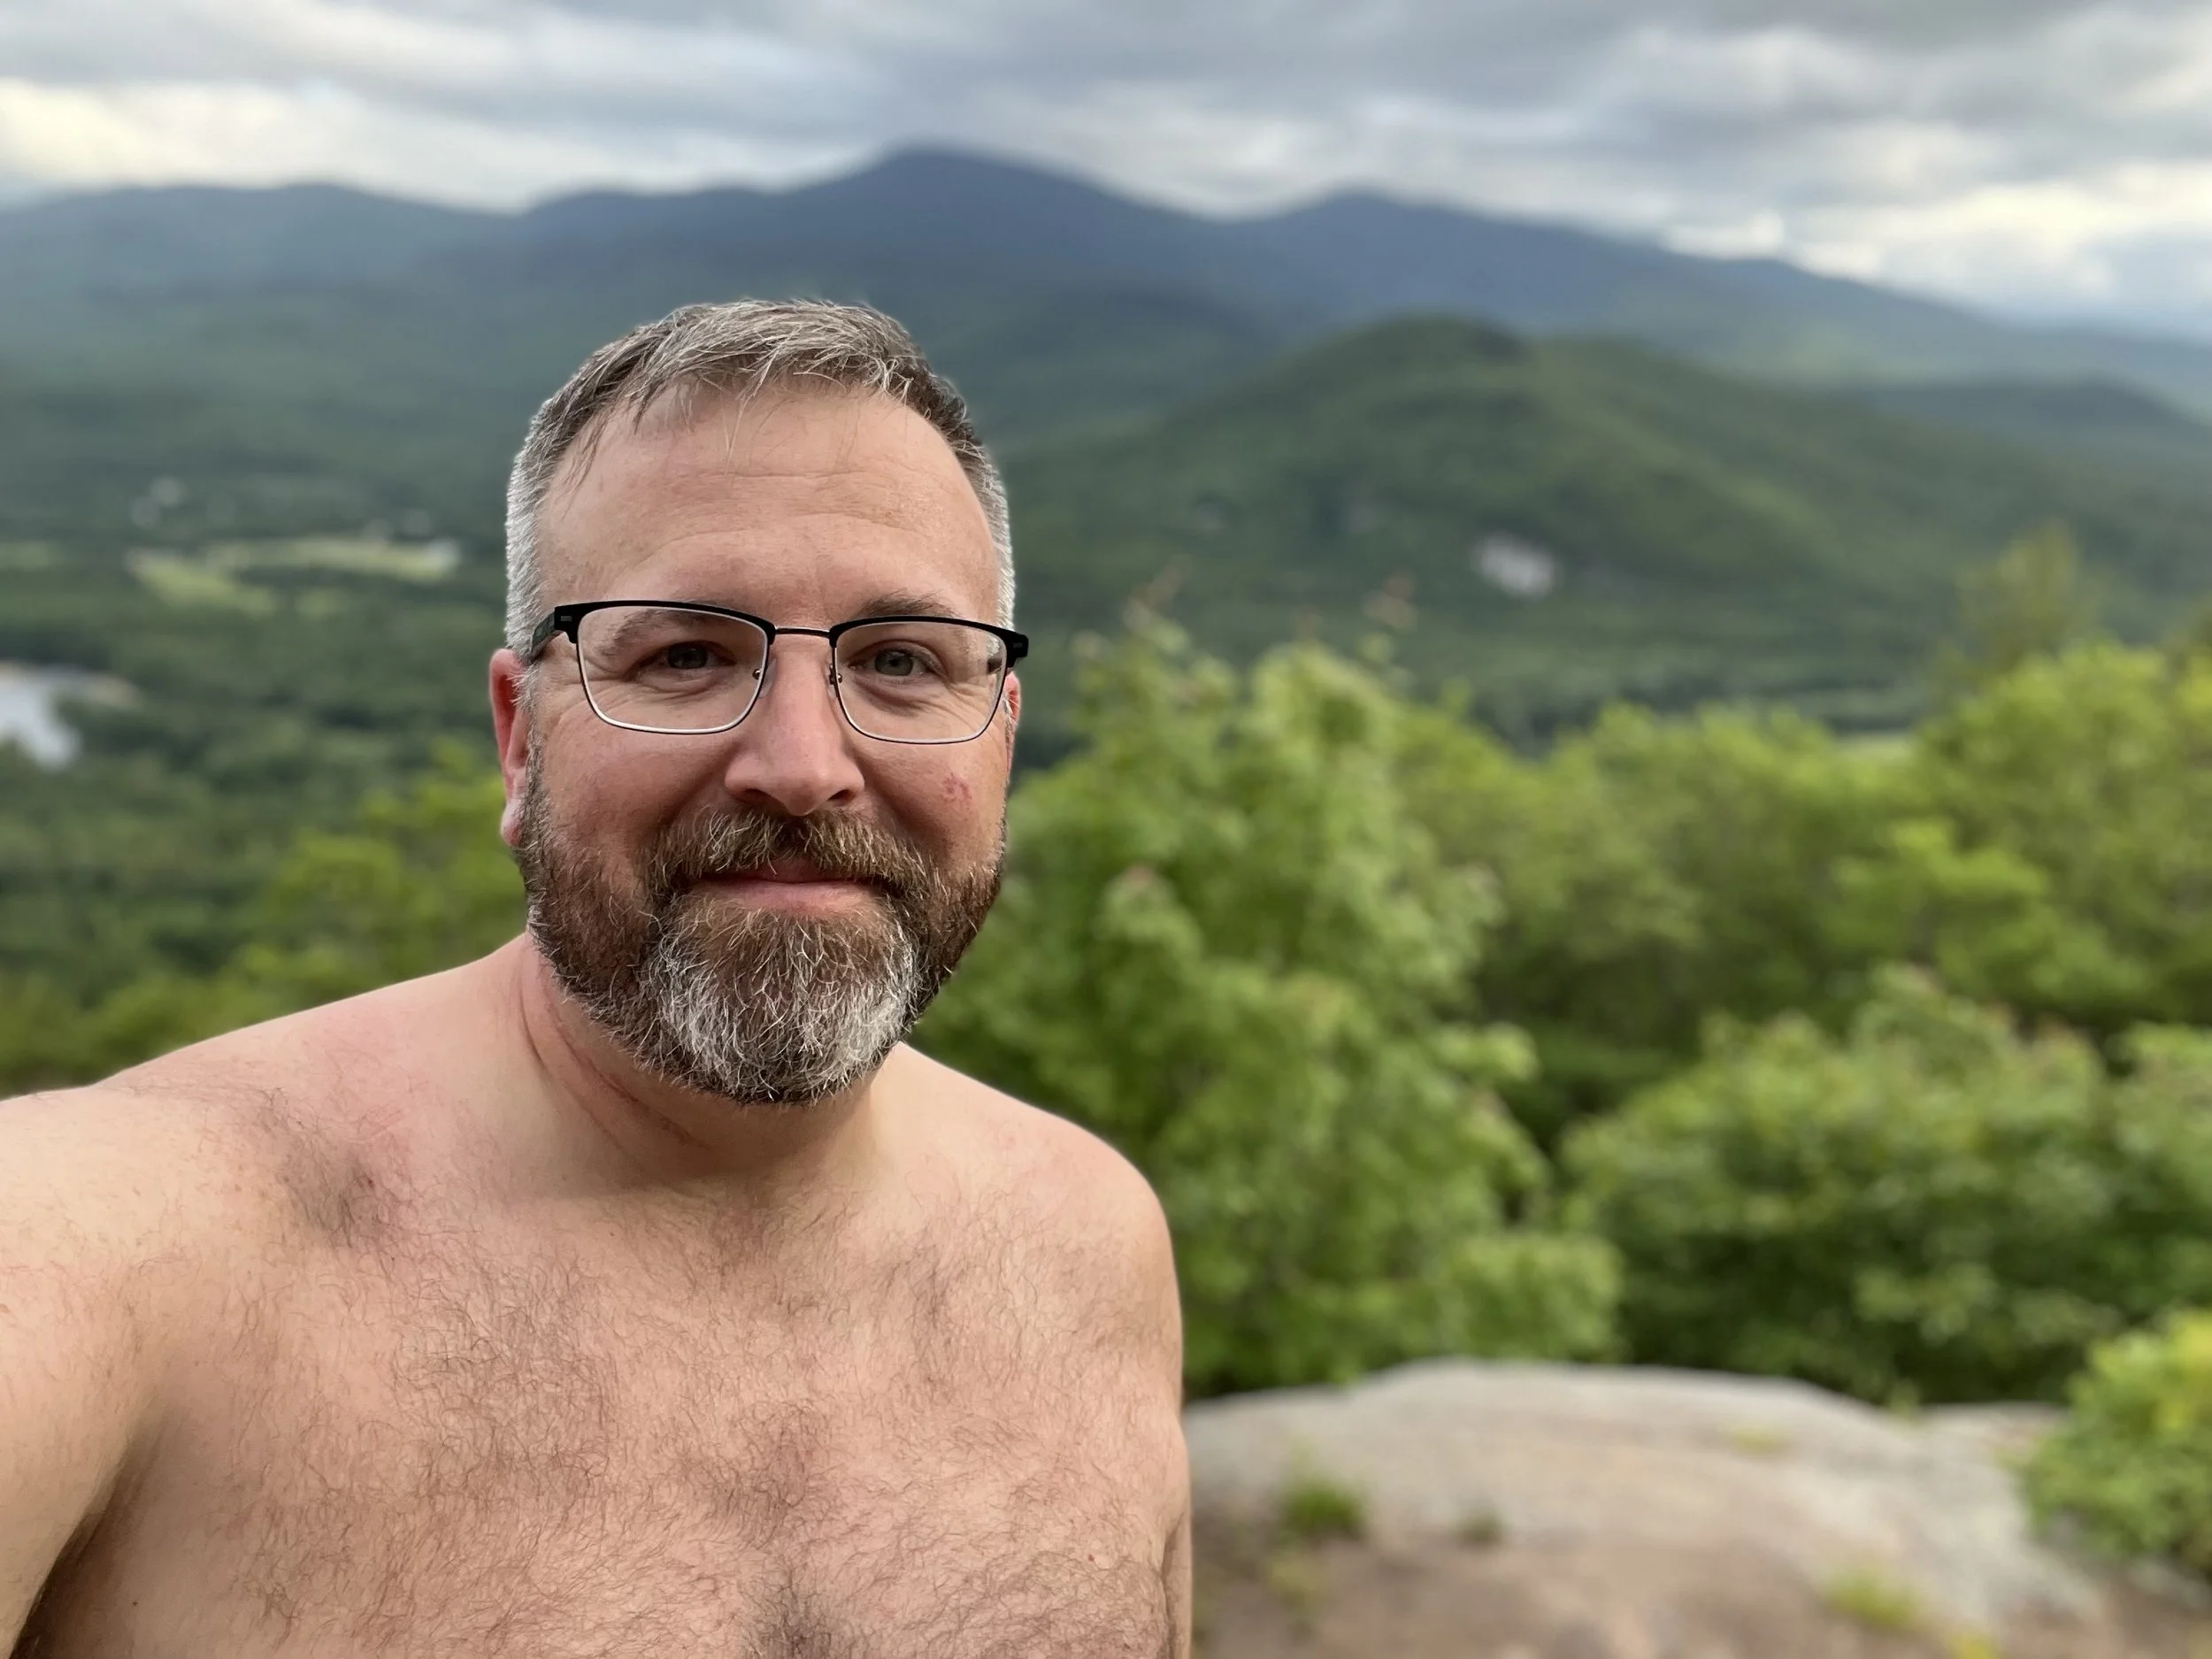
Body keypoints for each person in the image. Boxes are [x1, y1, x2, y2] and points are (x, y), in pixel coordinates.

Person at [0, 300, 1190, 1658]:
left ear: (1001, 734)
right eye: (684, 654)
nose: (803, 763)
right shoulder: (129, 1252)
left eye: (903, 663)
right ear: (520, 738)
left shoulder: (1094, 1250)